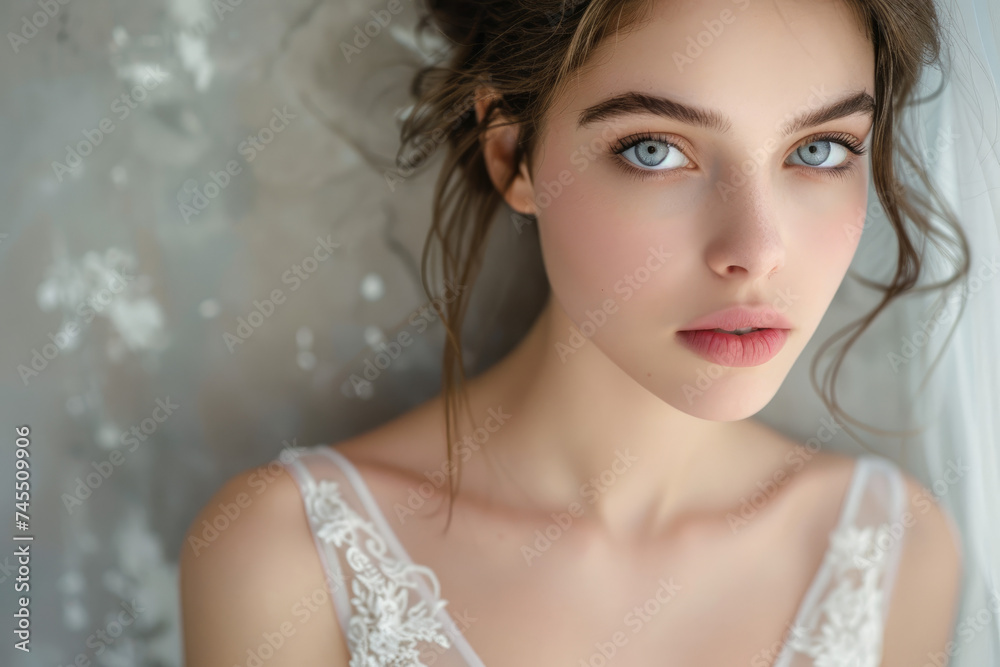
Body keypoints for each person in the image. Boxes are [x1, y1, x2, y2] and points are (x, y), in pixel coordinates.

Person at [179, 0, 972, 664]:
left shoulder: (893, 553)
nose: (755, 252)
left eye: (820, 149)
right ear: (514, 154)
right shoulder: (286, 559)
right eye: (656, 150)